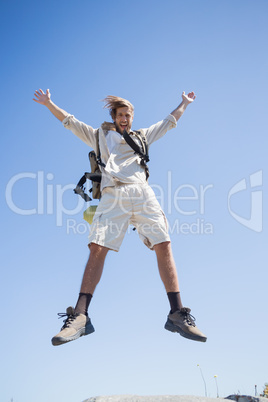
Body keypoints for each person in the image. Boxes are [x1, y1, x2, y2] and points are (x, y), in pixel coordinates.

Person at [33, 88, 207, 345]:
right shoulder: (98, 136)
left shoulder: (142, 137)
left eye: (129, 115)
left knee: (164, 244)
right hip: (113, 194)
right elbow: (69, 121)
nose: (125, 118)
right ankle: (80, 316)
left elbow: (169, 122)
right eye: (121, 114)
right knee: (97, 248)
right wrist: (49, 103)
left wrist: (184, 103)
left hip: (143, 194)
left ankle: (177, 314)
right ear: (114, 116)